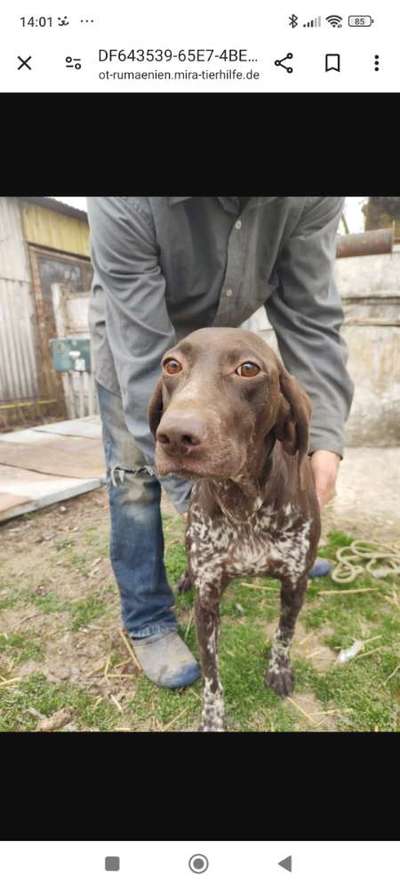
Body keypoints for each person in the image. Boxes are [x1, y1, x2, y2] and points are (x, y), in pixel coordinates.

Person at [86, 196, 354, 690]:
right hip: (143, 354)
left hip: (232, 350)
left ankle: (280, 548)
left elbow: (310, 317)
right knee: (135, 485)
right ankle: (148, 619)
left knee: (265, 456)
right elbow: (146, 350)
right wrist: (199, 501)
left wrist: (326, 441)